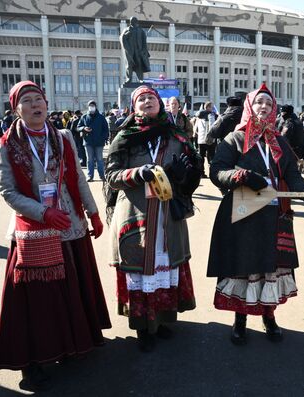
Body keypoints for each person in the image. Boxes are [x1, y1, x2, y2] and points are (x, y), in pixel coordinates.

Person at [0, 81, 111, 391]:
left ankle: (72, 345)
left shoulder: (64, 136)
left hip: (69, 224)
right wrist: (42, 213)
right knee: (35, 299)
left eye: (39, 99)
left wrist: (93, 212)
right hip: (33, 228)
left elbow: (79, 178)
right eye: (27, 101)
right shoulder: (6, 144)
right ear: (16, 109)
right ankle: (34, 360)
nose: (35, 105)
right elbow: (8, 191)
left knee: (71, 288)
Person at [206, 83, 304, 345]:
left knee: (269, 267)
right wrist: (242, 175)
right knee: (243, 266)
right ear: (250, 106)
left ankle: (269, 317)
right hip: (243, 215)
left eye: (269, 104)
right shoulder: (235, 139)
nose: (264, 106)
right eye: (259, 102)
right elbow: (216, 171)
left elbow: (292, 176)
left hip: (274, 218)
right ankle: (240, 319)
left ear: (273, 111)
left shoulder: (279, 141)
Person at [105, 85, 203, 352]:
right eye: (141, 99)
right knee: (141, 269)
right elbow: (111, 177)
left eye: (151, 97)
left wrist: (185, 174)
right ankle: (141, 328)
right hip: (135, 213)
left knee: (165, 266)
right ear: (133, 107)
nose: (147, 101)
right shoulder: (124, 137)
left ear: (160, 104)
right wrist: (139, 173)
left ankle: (161, 321)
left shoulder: (177, 136)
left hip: (167, 214)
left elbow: (193, 173)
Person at [78, 100, 109, 182]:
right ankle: (90, 176)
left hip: (99, 142)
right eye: (90, 105)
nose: (91, 107)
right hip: (88, 142)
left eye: (93, 105)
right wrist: (83, 128)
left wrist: (103, 138)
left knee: (99, 159)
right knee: (89, 160)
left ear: (95, 106)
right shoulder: (84, 117)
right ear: (88, 107)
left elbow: (106, 129)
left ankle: (102, 175)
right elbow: (78, 127)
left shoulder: (101, 117)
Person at [120, 16, 151, 84]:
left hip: (138, 51)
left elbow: (144, 41)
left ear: (136, 22)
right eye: (131, 21)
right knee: (129, 65)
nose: (132, 23)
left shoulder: (140, 30)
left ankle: (140, 79)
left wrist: (145, 51)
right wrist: (126, 35)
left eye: (133, 21)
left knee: (139, 65)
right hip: (130, 51)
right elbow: (122, 38)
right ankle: (129, 79)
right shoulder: (127, 30)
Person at [194, 101, 217, 177]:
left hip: (201, 139)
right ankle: (212, 174)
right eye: (211, 107)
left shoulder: (198, 116)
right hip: (210, 140)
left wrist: (196, 135)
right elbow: (213, 127)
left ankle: (201, 173)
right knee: (211, 158)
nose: (212, 108)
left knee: (201, 158)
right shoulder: (212, 116)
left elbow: (195, 129)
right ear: (207, 107)